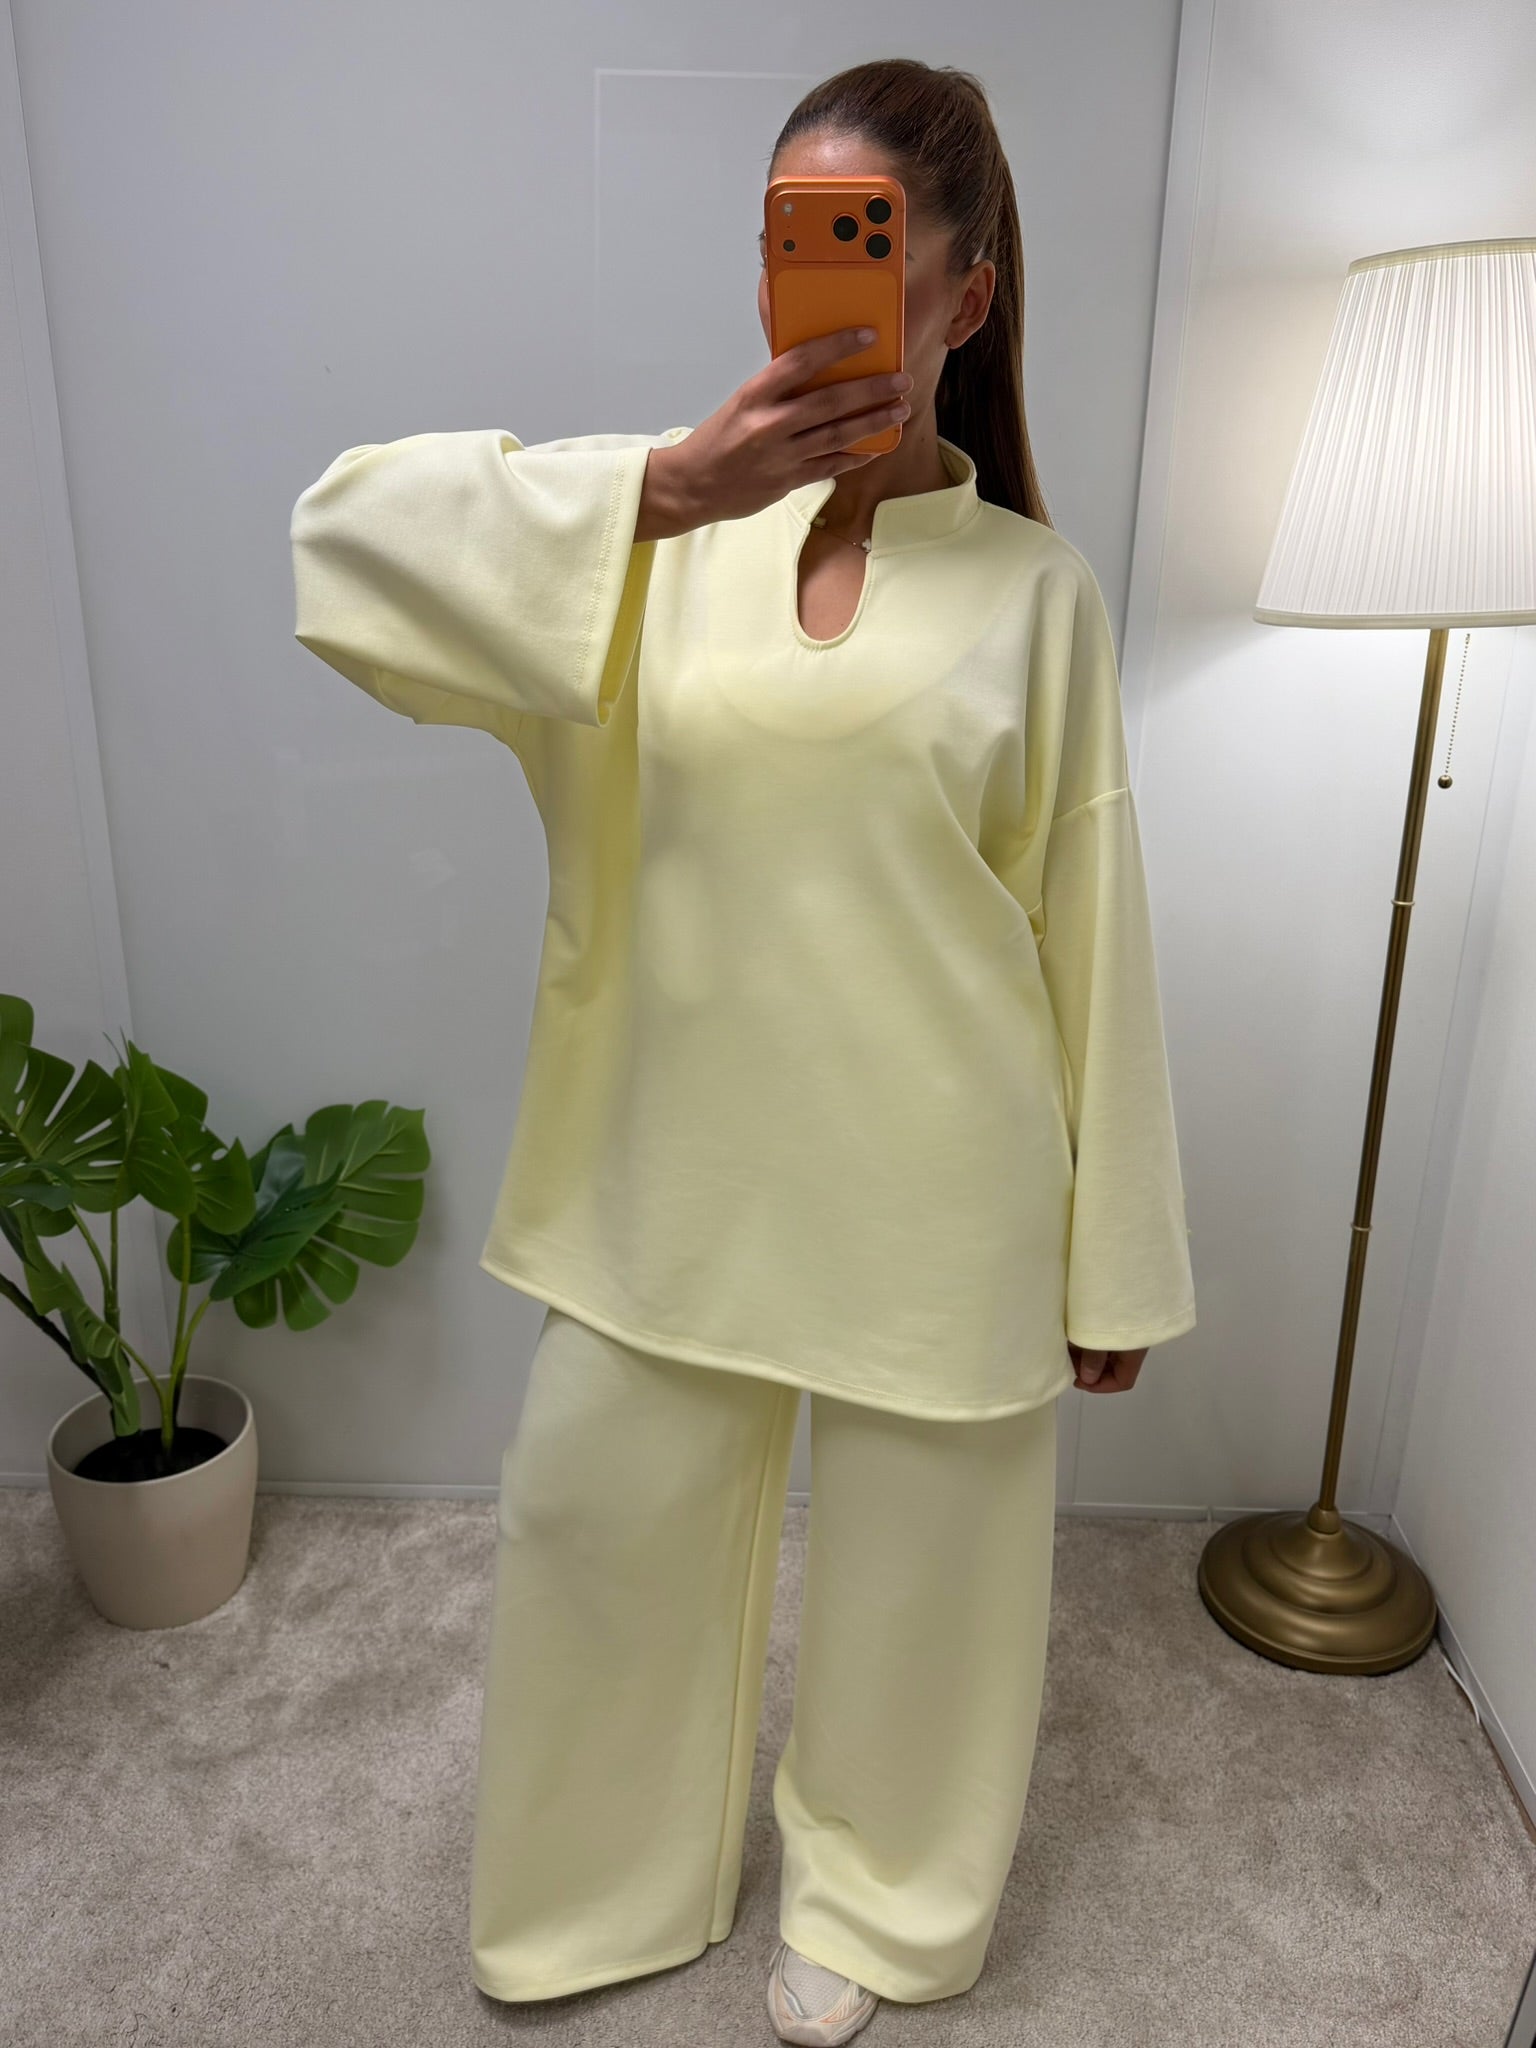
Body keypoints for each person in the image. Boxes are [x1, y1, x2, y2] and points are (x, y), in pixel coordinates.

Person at [290, 55, 1195, 2048]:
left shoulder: (1037, 596)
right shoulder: (642, 536)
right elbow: (341, 552)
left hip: (941, 1186)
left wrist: (1111, 1255)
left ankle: (879, 1897)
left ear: (964, 295)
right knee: (593, 1528)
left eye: (863, 250)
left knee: (927, 1590)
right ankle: (600, 1879)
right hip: (668, 1166)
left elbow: (1092, 927)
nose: (813, 294)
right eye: (789, 247)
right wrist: (665, 490)